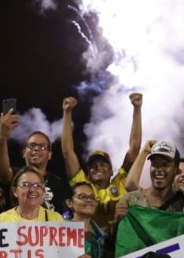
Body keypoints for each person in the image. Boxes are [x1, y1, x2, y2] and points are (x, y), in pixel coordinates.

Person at [61, 93, 143, 232]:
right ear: (88, 172)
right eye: (93, 166)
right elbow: (68, 152)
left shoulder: (121, 182)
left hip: (119, 243)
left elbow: (135, 147)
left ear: (111, 170)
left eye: (103, 164)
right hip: (91, 243)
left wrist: (137, 109)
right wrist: (67, 112)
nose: (97, 167)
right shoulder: (83, 186)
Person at [0, 114, 70, 214]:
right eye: (32, 145)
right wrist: (2, 139)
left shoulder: (57, 183)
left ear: (50, 155)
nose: (36, 148)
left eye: (42, 146)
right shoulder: (16, 175)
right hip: (17, 228)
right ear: (24, 152)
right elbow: (1, 171)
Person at [0, 167, 65, 223]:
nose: (32, 189)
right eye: (26, 185)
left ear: (43, 192)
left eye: (37, 185)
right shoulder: (2, 220)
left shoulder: (56, 220)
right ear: (15, 191)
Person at [66, 180, 109, 258]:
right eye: (82, 197)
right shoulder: (59, 231)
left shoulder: (102, 235)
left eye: (92, 197)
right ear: (70, 203)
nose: (89, 200)